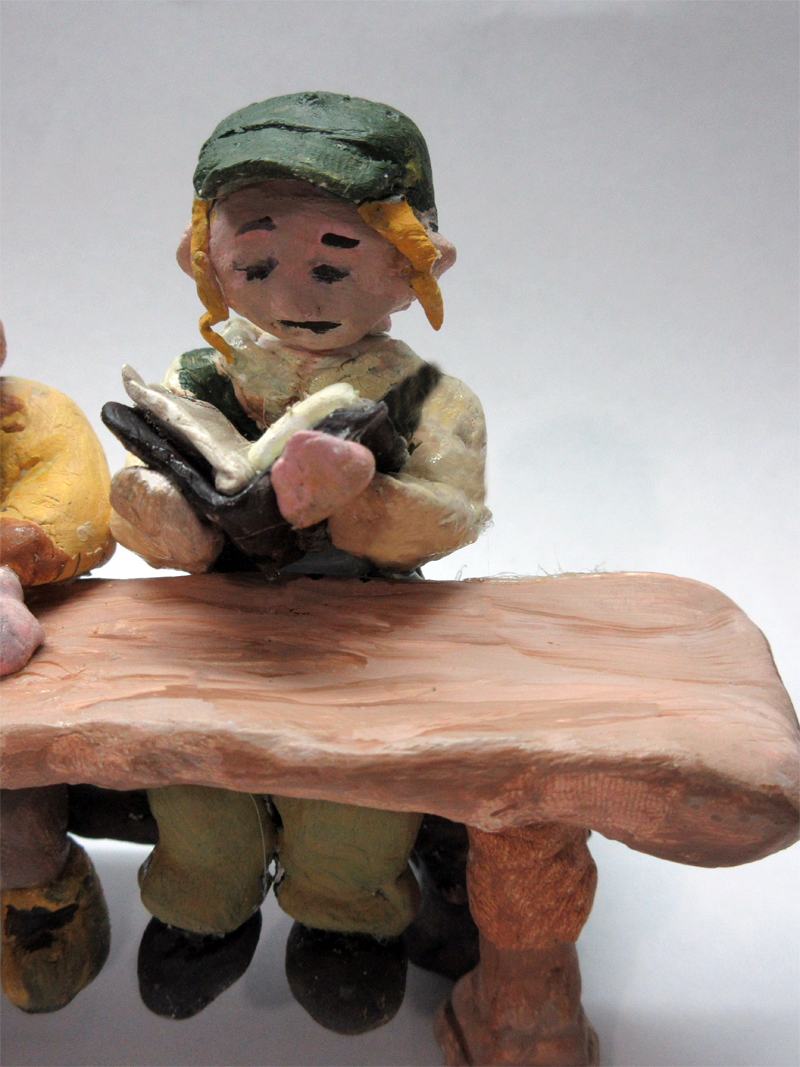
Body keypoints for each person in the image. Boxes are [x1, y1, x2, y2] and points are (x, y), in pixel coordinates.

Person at [108, 91, 489, 1030]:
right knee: (195, 777)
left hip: (365, 630)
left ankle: (343, 916)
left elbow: (452, 511)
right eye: (257, 263)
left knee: (356, 789)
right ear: (205, 261)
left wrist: (365, 502)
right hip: (222, 627)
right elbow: (158, 502)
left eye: (333, 263)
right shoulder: (202, 377)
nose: (295, 297)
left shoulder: (425, 393)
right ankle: (203, 903)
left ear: (415, 268)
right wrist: (166, 515)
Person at [0, 319, 115, 1013]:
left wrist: (12, 557)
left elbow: (76, 505)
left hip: (35, 629)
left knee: (17, 808)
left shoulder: (34, 413)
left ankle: (37, 906)